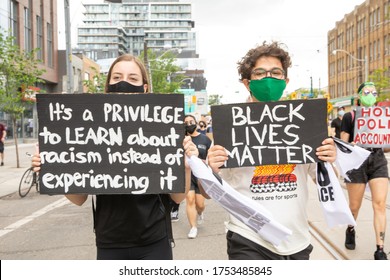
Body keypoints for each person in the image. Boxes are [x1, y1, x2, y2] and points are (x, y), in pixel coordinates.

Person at [32, 54, 199, 260]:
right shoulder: (91, 132)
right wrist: (57, 168)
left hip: (155, 241)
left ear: (145, 88)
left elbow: (178, 197)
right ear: (108, 85)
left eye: (133, 78)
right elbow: (78, 199)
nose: (124, 83)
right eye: (117, 77)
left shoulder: (161, 131)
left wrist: (185, 167)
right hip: (110, 242)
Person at [206, 41, 337, 260]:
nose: (269, 78)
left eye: (276, 73)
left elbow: (324, 181)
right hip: (248, 235)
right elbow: (209, 192)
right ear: (247, 83)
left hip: (297, 239)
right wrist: (211, 169)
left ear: (285, 81)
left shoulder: (305, 124)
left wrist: (329, 159)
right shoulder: (229, 125)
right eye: (260, 73)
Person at [340, 81, 389, 260]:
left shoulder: (382, 117)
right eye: (367, 92)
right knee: (354, 207)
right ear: (359, 95)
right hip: (357, 161)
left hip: (377, 160)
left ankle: (380, 248)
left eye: (375, 93)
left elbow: (387, 147)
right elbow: (342, 143)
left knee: (380, 203)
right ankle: (351, 228)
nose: (371, 96)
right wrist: (351, 145)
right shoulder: (349, 117)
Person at [184, 114, 212, 238]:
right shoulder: (182, 139)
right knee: (190, 199)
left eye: (191, 121)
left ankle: (200, 213)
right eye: (186, 122)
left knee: (200, 204)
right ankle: (193, 227)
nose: (189, 124)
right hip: (187, 174)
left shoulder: (205, 139)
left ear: (196, 123)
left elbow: (209, 158)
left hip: (200, 175)